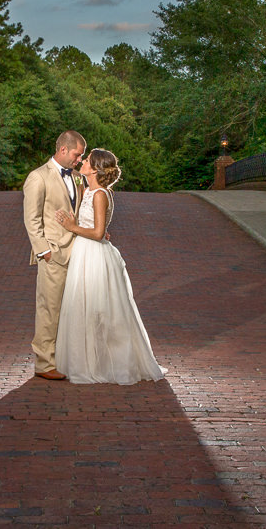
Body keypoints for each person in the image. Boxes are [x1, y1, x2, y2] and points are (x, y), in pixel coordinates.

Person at [53, 149, 165, 385]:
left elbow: (98, 232)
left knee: (102, 310)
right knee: (83, 307)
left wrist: (72, 227)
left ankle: (109, 363)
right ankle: (87, 360)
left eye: (86, 160)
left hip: (95, 256)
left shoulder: (101, 195)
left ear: (94, 169)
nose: (82, 162)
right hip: (83, 253)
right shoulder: (88, 190)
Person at [22, 130, 87, 380]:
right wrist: (44, 252)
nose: (79, 160)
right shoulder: (38, 177)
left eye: (80, 156)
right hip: (53, 255)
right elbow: (32, 219)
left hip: (78, 253)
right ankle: (44, 363)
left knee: (71, 309)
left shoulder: (78, 177)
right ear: (62, 150)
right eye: (76, 154)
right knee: (49, 310)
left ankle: (63, 358)